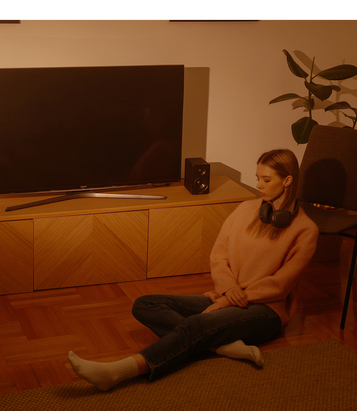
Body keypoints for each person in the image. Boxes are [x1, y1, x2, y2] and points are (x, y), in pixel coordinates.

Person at [68, 149, 319, 391]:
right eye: (257, 178)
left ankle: (117, 372)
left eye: (266, 179)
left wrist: (227, 301)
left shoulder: (306, 230)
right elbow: (219, 255)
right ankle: (220, 345)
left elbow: (281, 284)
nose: (259, 185)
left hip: (265, 310)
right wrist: (228, 289)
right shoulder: (245, 210)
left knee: (199, 323)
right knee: (145, 304)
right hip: (227, 295)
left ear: (287, 180)